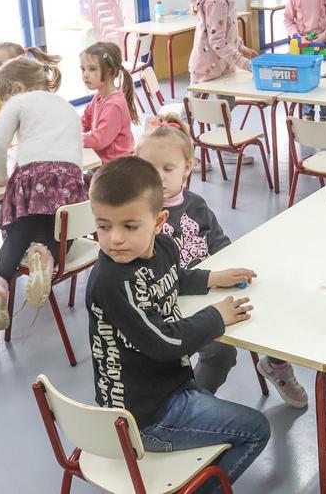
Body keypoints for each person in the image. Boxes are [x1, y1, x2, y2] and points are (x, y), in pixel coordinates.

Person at [86, 156, 270, 493]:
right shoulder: (112, 280)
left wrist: (213, 277)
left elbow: (174, 277)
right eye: (103, 225)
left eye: (129, 226)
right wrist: (216, 316)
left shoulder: (164, 247)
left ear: (158, 222)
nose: (114, 239)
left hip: (166, 388)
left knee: (215, 405)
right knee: (256, 429)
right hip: (143, 417)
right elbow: (164, 344)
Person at [136, 116, 308, 407]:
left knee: (267, 305)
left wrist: (229, 268)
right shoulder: (139, 217)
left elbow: (219, 242)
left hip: (212, 288)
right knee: (220, 352)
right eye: (150, 170)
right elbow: (153, 277)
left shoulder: (196, 204)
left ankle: (276, 366)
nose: (159, 178)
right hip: (172, 303)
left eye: (168, 169)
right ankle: (193, 404)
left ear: (187, 168)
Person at [0, 51, 87, 332]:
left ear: (16, 88)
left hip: (30, 177)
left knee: (19, 232)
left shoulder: (19, 102)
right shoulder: (66, 106)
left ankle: (0, 282)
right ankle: (48, 255)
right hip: (68, 178)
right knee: (64, 230)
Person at [189, 0, 260, 165]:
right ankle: (183, 151)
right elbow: (217, 41)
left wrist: (240, 46)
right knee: (193, 112)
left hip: (222, 67)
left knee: (225, 107)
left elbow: (227, 30)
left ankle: (225, 146)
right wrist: (243, 63)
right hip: (206, 66)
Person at [80, 41, 140, 163]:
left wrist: (72, 139)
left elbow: (98, 140)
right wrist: (65, 129)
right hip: (103, 164)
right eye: (83, 69)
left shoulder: (113, 105)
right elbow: (83, 122)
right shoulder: (98, 97)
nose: (85, 75)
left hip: (117, 169)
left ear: (111, 72)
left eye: (92, 69)